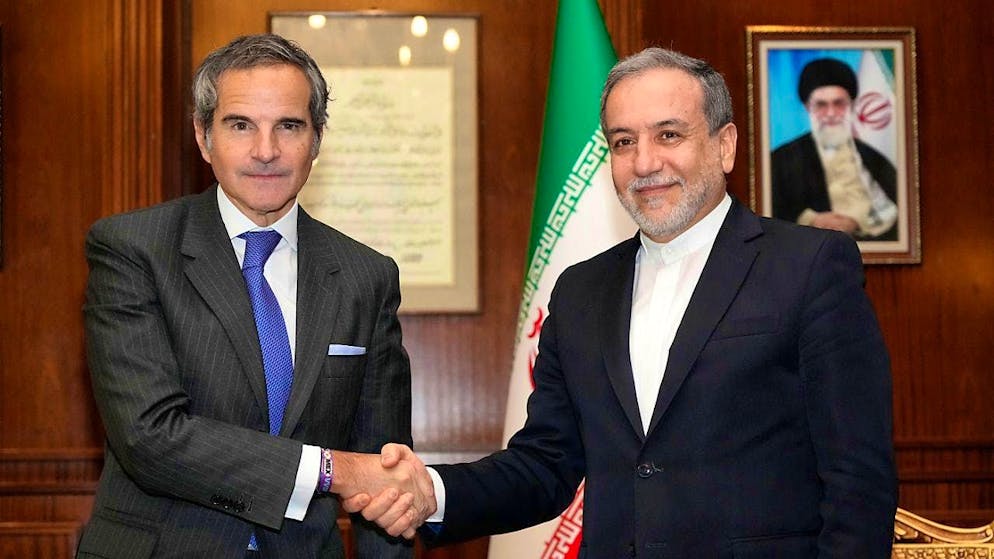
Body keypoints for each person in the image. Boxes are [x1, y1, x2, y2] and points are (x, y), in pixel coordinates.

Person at [349, 47, 898, 557]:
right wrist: (430, 491)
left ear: (724, 145)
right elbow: (546, 464)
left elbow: (858, 482)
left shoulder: (809, 265)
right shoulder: (580, 290)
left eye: (668, 135)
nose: (644, 163)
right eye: (623, 141)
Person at [77, 34, 432, 558]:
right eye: (240, 125)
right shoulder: (133, 250)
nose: (265, 151)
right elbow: (148, 437)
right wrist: (327, 468)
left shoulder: (366, 276)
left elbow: (382, 476)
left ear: (316, 140)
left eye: (289, 126)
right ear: (203, 137)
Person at [771, 57, 899, 241]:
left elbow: (900, 213)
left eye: (839, 104)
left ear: (852, 106)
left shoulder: (874, 159)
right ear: (808, 107)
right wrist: (810, 220)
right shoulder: (780, 160)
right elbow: (770, 212)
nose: (830, 114)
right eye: (821, 105)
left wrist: (858, 223)